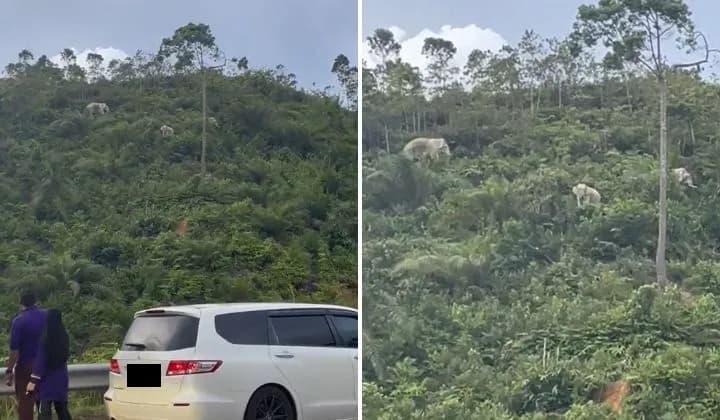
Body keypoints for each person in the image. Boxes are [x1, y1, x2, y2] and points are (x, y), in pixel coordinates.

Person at [3, 290, 47, 420]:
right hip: (47, 365)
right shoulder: (47, 316)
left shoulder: (19, 321)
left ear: (21, 304)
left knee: (26, 402)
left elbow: (14, 351)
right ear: (36, 302)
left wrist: (10, 369)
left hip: (27, 367)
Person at [26, 309, 72, 420]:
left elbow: (40, 362)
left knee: (44, 411)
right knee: (62, 409)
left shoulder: (45, 339)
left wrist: (33, 381)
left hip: (46, 381)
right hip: (61, 378)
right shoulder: (64, 338)